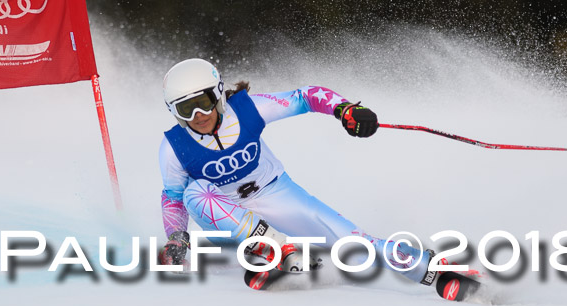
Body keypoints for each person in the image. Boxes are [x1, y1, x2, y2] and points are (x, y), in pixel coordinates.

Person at [157, 58, 437, 289]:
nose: (197, 115)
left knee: (353, 242)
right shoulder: (173, 147)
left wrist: (345, 109)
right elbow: (173, 197)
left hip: (275, 194)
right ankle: (273, 248)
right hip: (223, 221)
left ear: (218, 94)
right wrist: (176, 237)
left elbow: (304, 97)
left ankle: (426, 267)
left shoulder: (247, 110)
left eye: (204, 102)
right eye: (185, 108)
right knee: (196, 191)